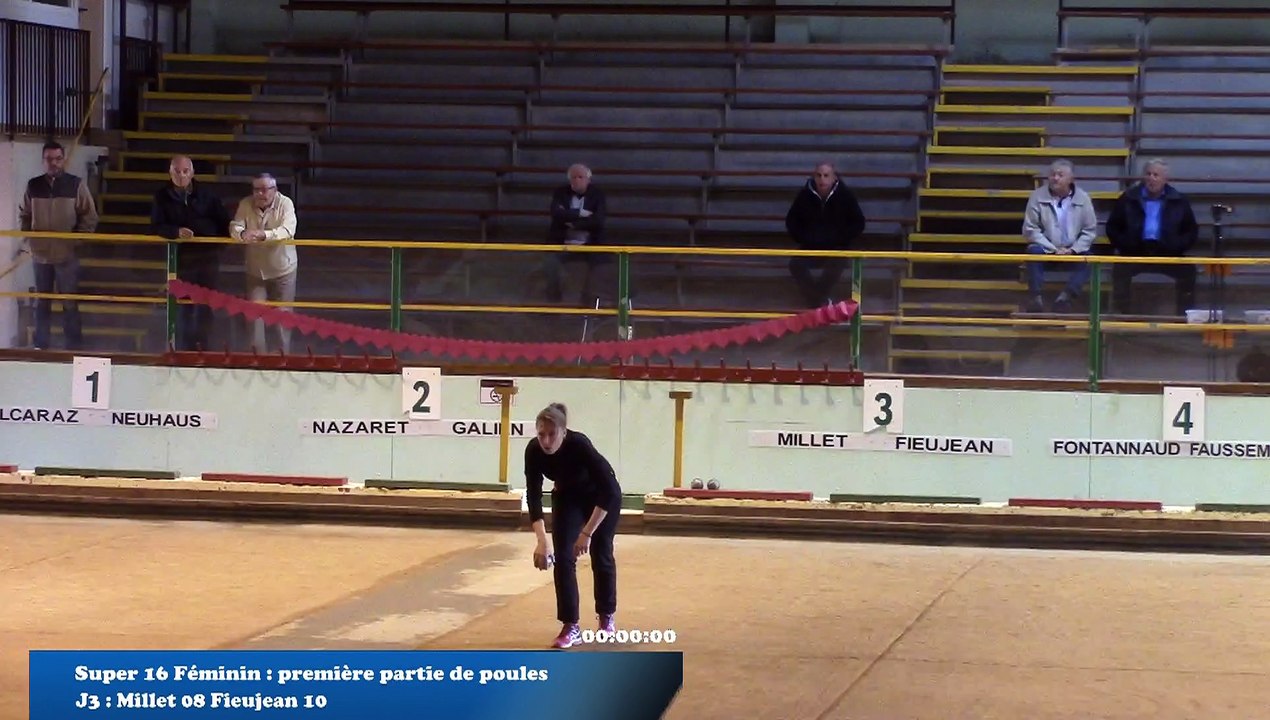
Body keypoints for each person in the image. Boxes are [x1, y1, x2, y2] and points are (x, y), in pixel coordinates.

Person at [524, 402, 622, 649]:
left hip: (601, 497)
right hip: (568, 497)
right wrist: (542, 542)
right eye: (541, 434)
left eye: (552, 434)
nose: (546, 441)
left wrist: (587, 533)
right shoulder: (534, 451)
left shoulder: (579, 445)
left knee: (601, 554)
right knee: (563, 558)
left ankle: (606, 617)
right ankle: (570, 625)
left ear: (563, 432)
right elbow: (534, 496)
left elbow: (610, 491)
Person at [19, 140, 98, 350]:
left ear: (63, 160)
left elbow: (89, 216)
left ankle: (73, 347)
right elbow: (24, 214)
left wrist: (77, 240)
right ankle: (40, 347)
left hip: (67, 255)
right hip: (40, 255)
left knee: (69, 303)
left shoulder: (76, 184)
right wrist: (30, 238)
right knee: (41, 303)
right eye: (49, 159)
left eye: (57, 159)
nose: (53, 163)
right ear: (43, 161)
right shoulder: (33, 185)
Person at [150, 155, 231, 351]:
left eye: (185, 171)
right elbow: (156, 226)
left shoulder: (207, 195)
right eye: (177, 171)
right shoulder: (161, 197)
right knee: (184, 307)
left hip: (207, 260)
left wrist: (214, 246)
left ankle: (204, 347)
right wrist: (175, 232)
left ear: (192, 173)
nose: (181, 175)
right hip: (181, 260)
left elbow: (224, 224)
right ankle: (185, 349)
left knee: (206, 306)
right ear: (170, 173)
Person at [1105, 158, 1199, 316]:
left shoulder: (1179, 200)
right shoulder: (1128, 198)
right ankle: (1123, 316)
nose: (1151, 178)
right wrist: (1126, 245)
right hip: (1135, 251)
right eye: (1148, 174)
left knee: (1188, 271)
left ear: (1165, 179)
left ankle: (1183, 318)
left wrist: (1176, 245)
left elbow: (1191, 231)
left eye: (1156, 175)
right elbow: (1112, 228)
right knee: (1120, 270)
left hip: (1168, 252)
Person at [230, 173, 298, 354]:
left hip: (283, 269)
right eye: (257, 189)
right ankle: (257, 355)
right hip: (255, 271)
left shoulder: (286, 204)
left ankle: (283, 354)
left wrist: (263, 235)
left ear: (275, 191)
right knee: (254, 314)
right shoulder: (246, 204)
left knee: (283, 314)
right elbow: (235, 226)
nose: (261, 193)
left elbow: (288, 230)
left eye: (265, 189)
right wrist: (242, 234)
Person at [1020, 159, 1099, 313]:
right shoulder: (1037, 196)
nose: (1055, 178)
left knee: (1090, 260)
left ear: (1071, 179)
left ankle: (1065, 298)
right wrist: (1052, 248)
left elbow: (1089, 231)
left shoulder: (1083, 198)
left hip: (1073, 251)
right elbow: (1030, 229)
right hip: (1046, 249)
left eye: (1060, 175)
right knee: (1033, 252)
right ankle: (1036, 299)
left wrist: (1074, 249)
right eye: (1052, 174)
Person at [784, 161, 866, 308]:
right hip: (810, 247)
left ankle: (816, 300)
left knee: (837, 263)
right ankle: (818, 301)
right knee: (795, 264)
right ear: (814, 177)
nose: (822, 179)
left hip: (836, 248)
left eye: (826, 175)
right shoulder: (804, 195)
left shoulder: (845, 195)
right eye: (819, 175)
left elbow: (858, 223)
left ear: (834, 178)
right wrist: (804, 238)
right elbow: (791, 221)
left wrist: (841, 239)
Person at [543, 163, 608, 303]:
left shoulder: (597, 195)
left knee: (598, 268)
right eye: (573, 177)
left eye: (580, 177)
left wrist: (574, 224)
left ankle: (587, 303)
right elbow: (556, 214)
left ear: (588, 180)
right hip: (562, 243)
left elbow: (598, 220)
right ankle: (553, 302)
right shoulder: (560, 193)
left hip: (590, 245)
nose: (577, 180)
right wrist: (581, 213)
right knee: (550, 263)